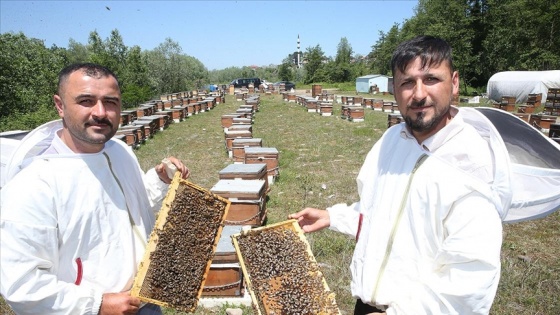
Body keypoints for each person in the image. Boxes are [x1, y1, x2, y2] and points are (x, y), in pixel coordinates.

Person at [289, 36, 512, 315]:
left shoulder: (472, 166)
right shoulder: (391, 140)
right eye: (407, 82)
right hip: (367, 306)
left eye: (431, 79)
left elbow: (469, 280)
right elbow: (379, 208)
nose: (418, 94)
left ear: (454, 83)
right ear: (394, 88)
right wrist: (333, 217)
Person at [1, 63, 190, 315]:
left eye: (110, 102)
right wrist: (96, 304)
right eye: (86, 101)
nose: (100, 112)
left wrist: (159, 181)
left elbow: (127, 208)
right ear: (60, 105)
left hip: (143, 300)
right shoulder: (33, 184)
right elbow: (21, 284)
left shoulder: (120, 151)